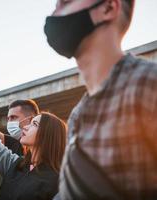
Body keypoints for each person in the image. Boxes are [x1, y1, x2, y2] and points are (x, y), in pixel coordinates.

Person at [44, 0, 157, 199]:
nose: (55, 10)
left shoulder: (149, 85)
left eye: (66, 2)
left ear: (108, 8)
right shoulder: (77, 116)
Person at [0, 74, 67, 200]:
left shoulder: (61, 182)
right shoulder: (15, 164)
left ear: (49, 134)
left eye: (34, 124)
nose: (25, 127)